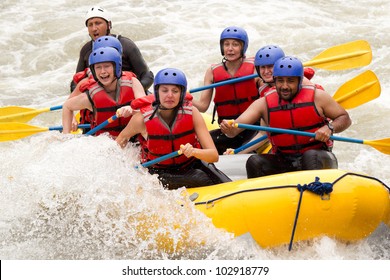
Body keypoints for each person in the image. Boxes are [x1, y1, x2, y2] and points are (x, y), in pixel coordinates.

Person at [221, 56, 352, 178]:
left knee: (311, 157)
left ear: (299, 81)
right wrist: (227, 128)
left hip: (318, 156)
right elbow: (233, 131)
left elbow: (344, 118)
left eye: (290, 81)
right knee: (255, 161)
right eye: (280, 81)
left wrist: (329, 127)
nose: (284, 86)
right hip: (284, 160)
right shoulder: (263, 103)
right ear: (275, 80)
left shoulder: (318, 97)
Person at [116, 68, 231, 189]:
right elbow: (120, 143)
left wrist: (194, 152)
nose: (170, 95)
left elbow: (214, 155)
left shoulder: (193, 113)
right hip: (159, 172)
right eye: (165, 90)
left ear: (181, 94)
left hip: (191, 163)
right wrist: (125, 168)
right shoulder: (141, 119)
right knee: (200, 178)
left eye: (175, 91)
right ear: (157, 93)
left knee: (225, 184)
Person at [192, 26, 260, 154]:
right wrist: (184, 98)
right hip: (227, 130)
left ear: (243, 47)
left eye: (235, 44)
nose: (230, 48)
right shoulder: (212, 72)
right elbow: (202, 106)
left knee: (248, 152)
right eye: (226, 44)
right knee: (199, 145)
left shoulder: (256, 68)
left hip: (252, 126)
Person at [62, 47, 145, 136]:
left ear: (117, 67)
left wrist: (132, 109)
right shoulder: (90, 96)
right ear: (93, 71)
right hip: (106, 143)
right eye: (98, 67)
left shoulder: (133, 82)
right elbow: (67, 106)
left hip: (133, 138)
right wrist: (66, 135)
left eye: (107, 66)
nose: (102, 71)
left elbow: (146, 107)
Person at [70, 6, 154, 92]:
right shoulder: (86, 49)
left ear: (109, 25)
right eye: (90, 25)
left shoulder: (126, 45)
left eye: (98, 23)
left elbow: (147, 75)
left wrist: (133, 92)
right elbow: (76, 81)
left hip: (130, 93)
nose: (94, 28)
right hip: (100, 97)